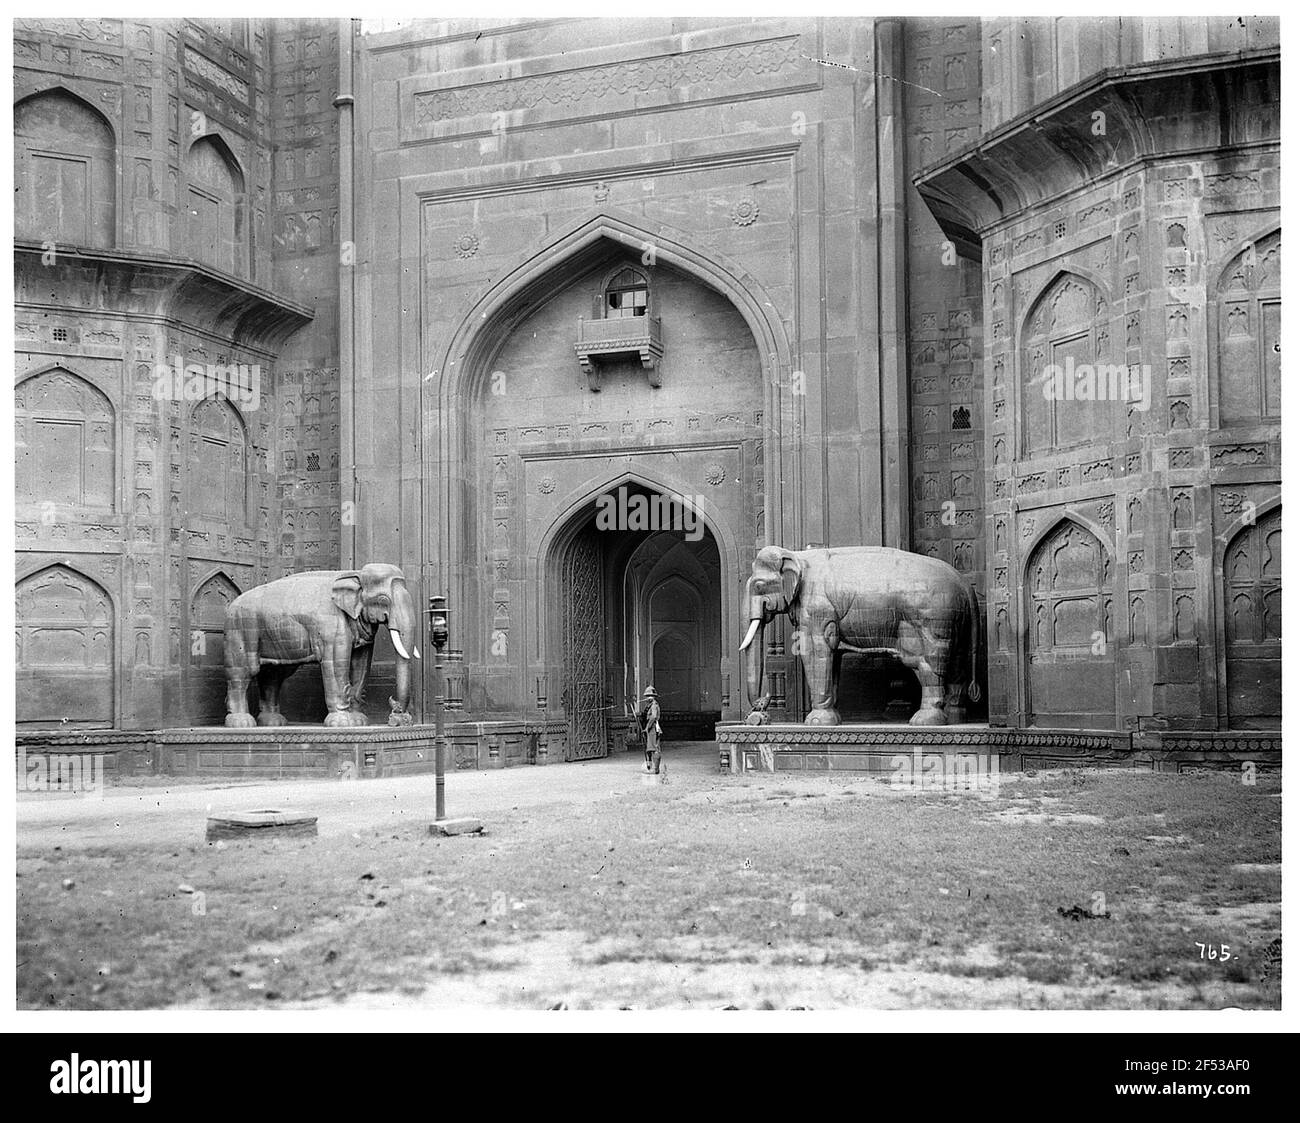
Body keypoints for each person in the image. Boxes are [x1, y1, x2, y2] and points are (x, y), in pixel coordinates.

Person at [639, 685, 662, 773]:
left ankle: (655, 769)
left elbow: (653, 716)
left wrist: (647, 727)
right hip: (651, 727)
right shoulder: (650, 705)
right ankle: (652, 766)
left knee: (654, 748)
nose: (647, 698)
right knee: (650, 748)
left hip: (652, 728)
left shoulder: (654, 705)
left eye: (649, 696)